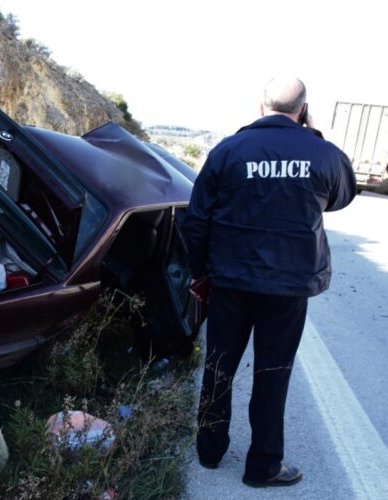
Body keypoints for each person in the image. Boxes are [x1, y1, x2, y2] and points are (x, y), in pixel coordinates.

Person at [181, 76, 357, 487]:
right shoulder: (323, 153)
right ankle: (262, 466)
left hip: (230, 281)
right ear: (304, 108)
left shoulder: (228, 150)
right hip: (288, 287)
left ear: (261, 106)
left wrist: (200, 272)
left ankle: (209, 451)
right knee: (273, 371)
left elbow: (196, 219)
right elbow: (342, 195)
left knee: (219, 365)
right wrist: (309, 138)